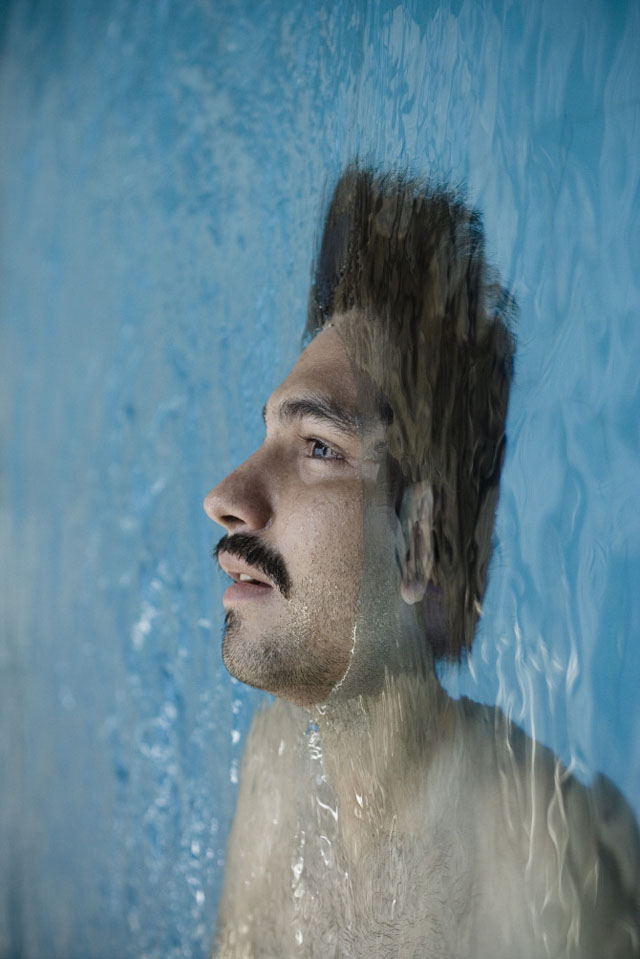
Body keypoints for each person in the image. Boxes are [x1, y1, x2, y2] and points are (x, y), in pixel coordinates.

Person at [203, 166, 640, 958]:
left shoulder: (551, 861)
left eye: (317, 448)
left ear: (418, 543)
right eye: (267, 435)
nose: (228, 496)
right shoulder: (274, 772)